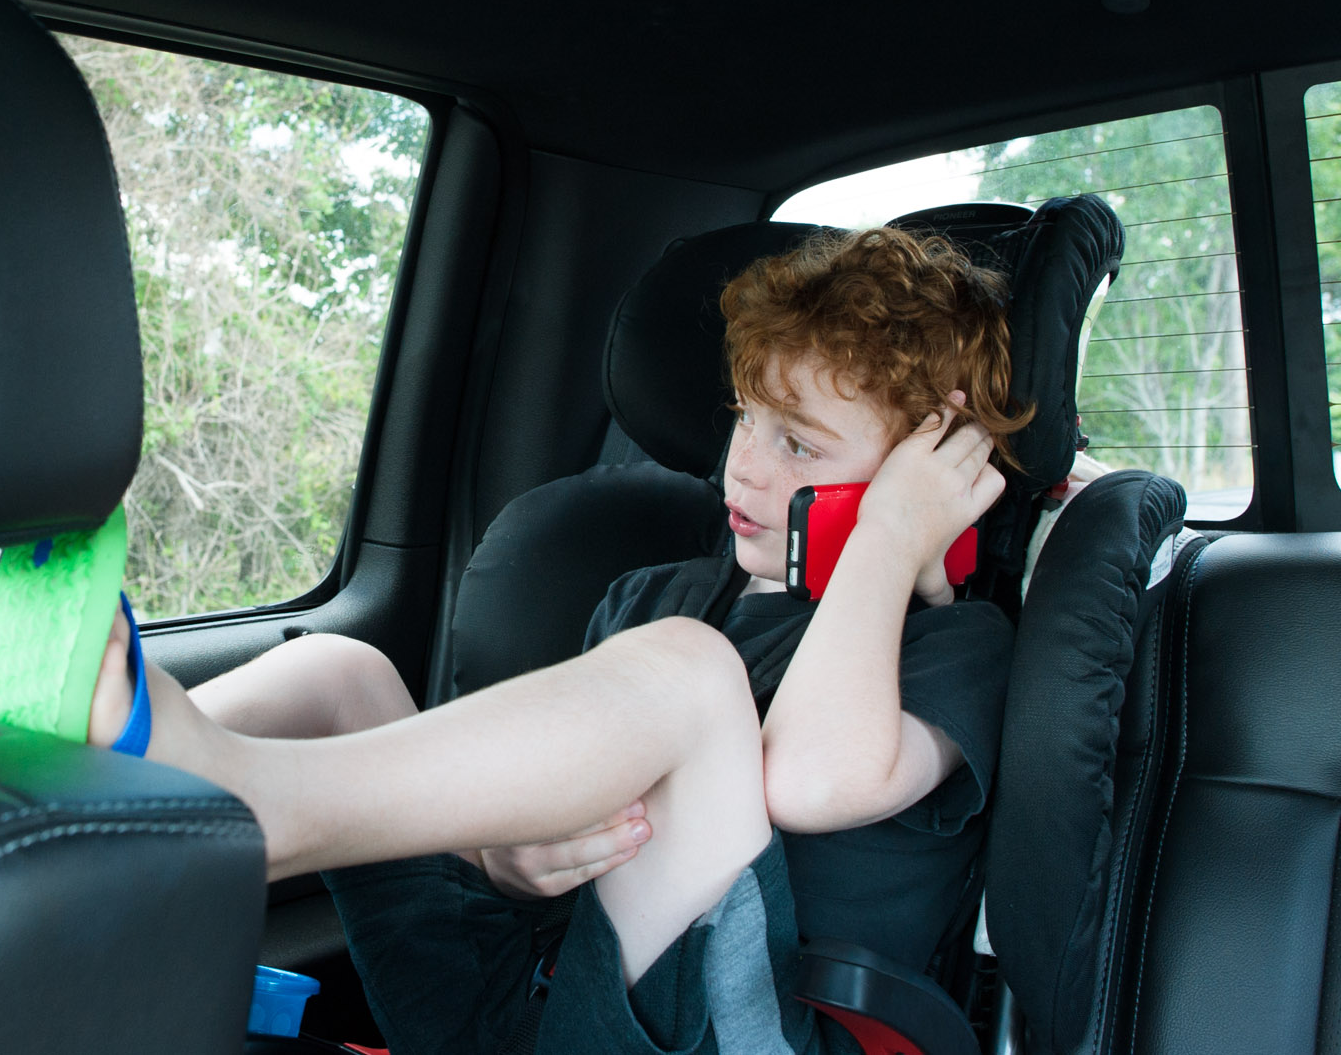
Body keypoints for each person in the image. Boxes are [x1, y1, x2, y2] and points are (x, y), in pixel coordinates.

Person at [81, 226, 1029, 1055]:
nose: (741, 462)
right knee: (343, 672)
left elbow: (812, 780)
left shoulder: (954, 646)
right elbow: (545, 818)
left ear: (932, 468)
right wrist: (506, 853)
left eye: (800, 445)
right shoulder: (656, 596)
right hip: (534, 1000)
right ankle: (73, 805)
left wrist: (894, 539)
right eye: (748, 419)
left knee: (691, 676)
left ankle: (247, 810)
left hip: (742, 1031)